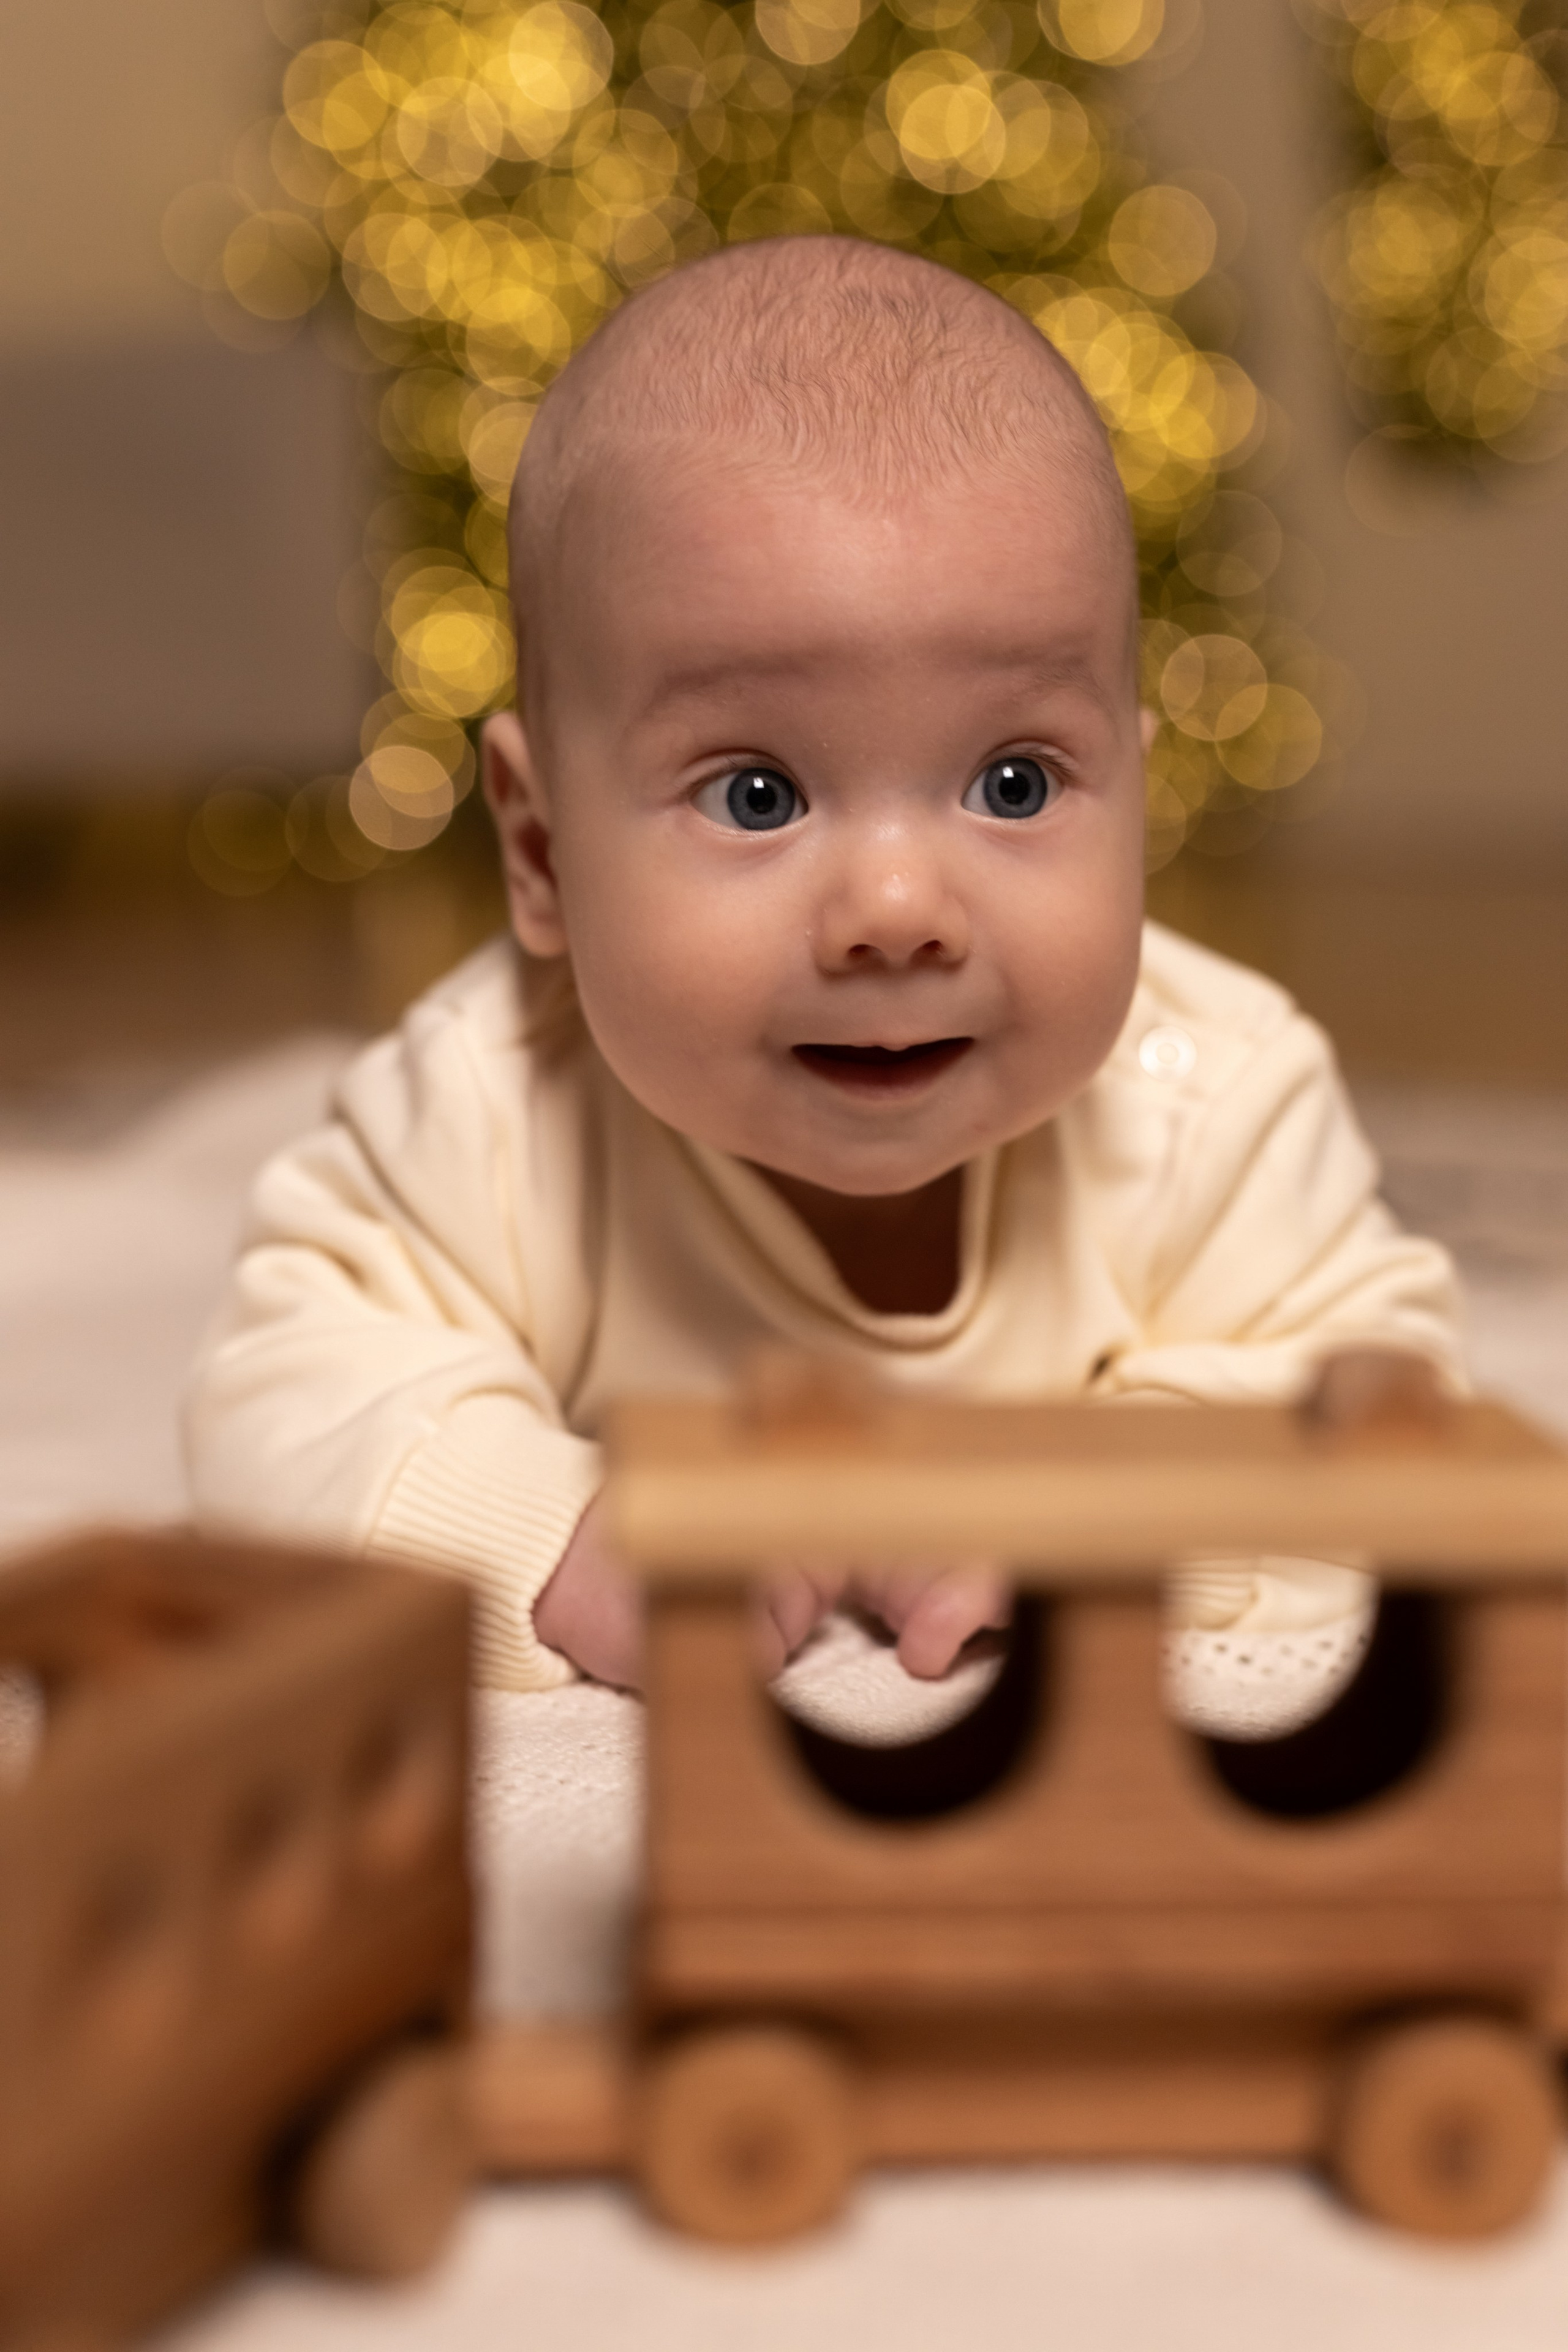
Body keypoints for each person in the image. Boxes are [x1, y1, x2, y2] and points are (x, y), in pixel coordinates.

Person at [184, 236, 1460, 1711]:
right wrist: (546, 1536)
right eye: (757, 796)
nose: (899, 911)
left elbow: (1387, 1416)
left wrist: (1117, 1501)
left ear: (1139, 803)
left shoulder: (1210, 1100)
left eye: (1012, 780)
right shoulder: (489, 1110)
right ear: (539, 854)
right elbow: (279, 1392)